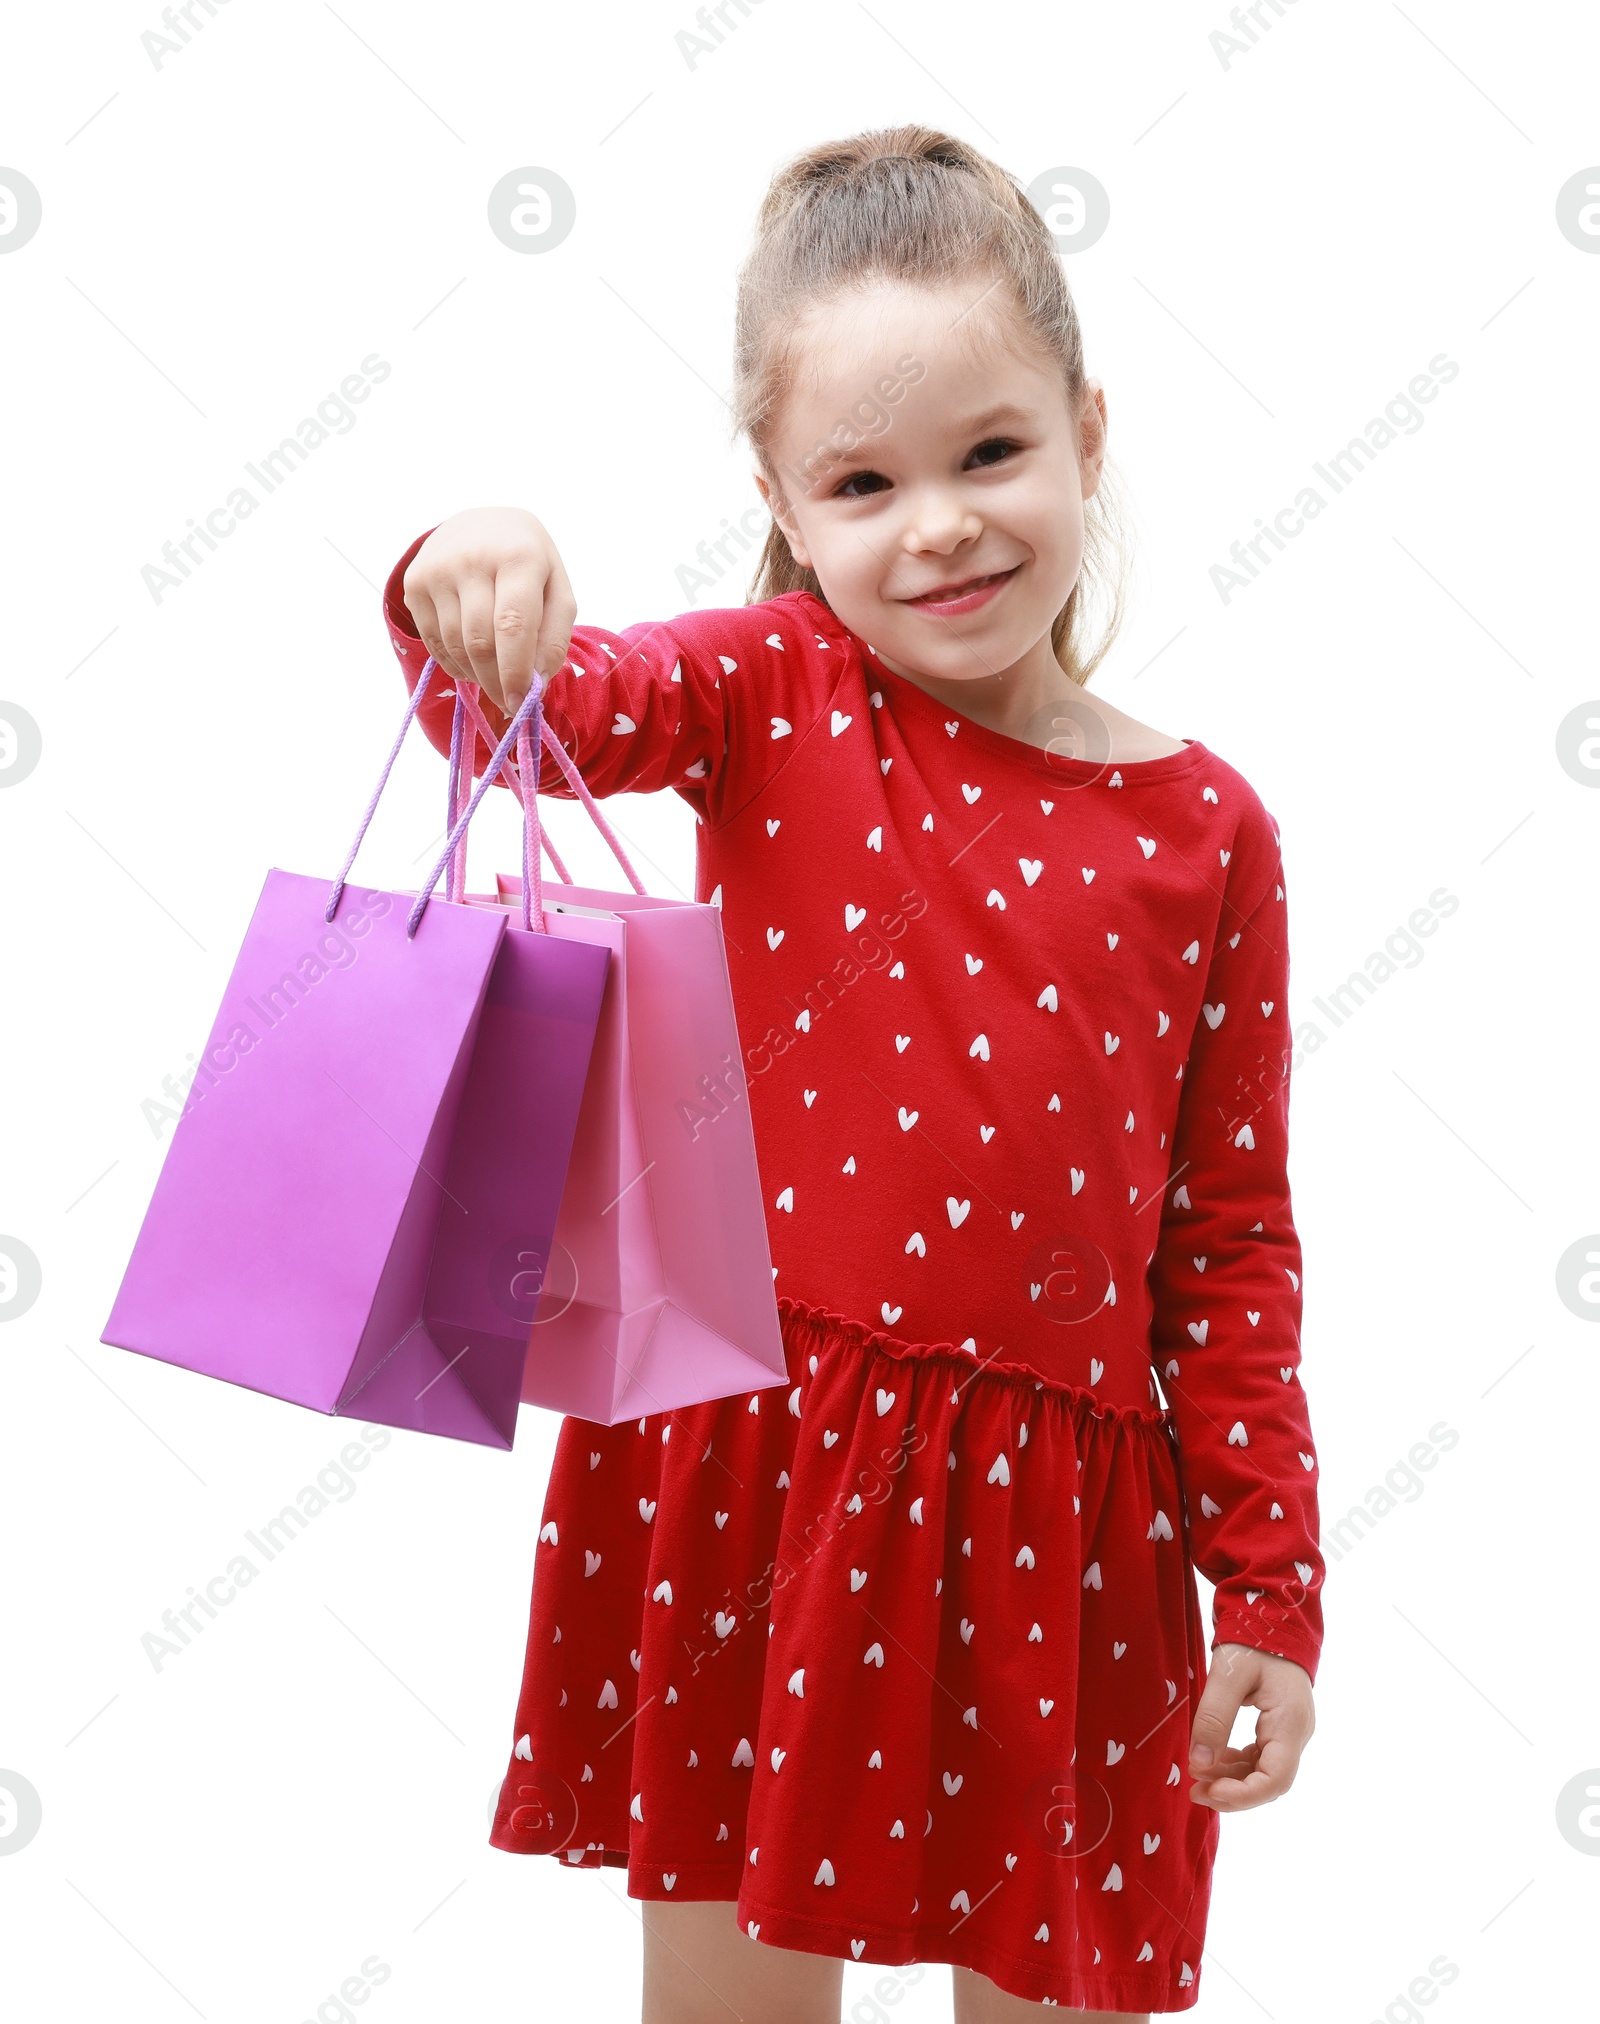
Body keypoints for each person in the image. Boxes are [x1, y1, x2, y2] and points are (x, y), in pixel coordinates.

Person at [381, 124, 1321, 2024]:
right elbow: (540, 714)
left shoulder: (1207, 833)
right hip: (765, 1477)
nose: (940, 525)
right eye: (863, 482)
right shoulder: (770, 692)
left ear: (1087, 424)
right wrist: (461, 568)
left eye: (990, 453)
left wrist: (1272, 1590)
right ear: (785, 505)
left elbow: (1228, 1245)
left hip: (1059, 1534)